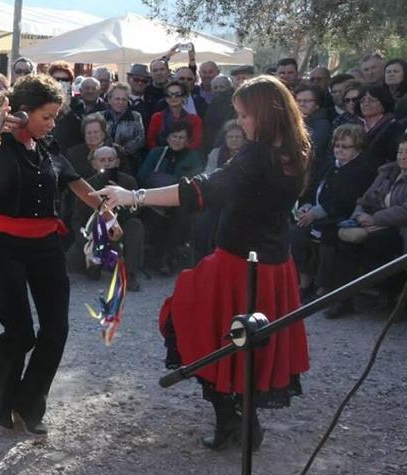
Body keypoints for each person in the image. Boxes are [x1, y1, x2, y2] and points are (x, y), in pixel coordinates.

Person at [93, 75, 311, 451]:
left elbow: (202, 189)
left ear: (264, 112)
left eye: (245, 116)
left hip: (241, 265)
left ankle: (234, 422)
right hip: (274, 264)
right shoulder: (298, 149)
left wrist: (133, 195)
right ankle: (241, 421)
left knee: (204, 333)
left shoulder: (259, 154)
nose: (240, 123)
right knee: (246, 343)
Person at [0, 73, 122, 436]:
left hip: (45, 247)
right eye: (47, 116)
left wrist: (106, 212)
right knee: (21, 332)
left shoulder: (49, 147)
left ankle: (28, 404)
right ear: (23, 113)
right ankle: (3, 399)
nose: (53, 123)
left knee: (57, 328)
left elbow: (78, 185)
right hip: (5, 247)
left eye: (56, 116)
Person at [326, 132, 407, 318]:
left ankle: (389, 294)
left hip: (405, 229)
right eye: (400, 151)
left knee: (376, 243)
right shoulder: (388, 172)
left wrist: (375, 219)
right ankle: (343, 300)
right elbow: (365, 198)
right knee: (346, 244)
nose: (402, 156)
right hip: (374, 224)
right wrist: (358, 216)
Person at [291, 124, 375, 305]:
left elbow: (348, 200)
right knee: (297, 232)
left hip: (343, 216)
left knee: (329, 236)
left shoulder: (363, 169)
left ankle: (324, 287)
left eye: (345, 146)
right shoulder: (329, 165)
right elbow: (312, 188)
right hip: (318, 213)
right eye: (337, 145)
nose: (339, 150)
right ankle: (304, 283)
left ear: (357, 148)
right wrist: (307, 206)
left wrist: (316, 213)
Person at [68, 146, 144, 290]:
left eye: (111, 160)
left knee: (136, 224)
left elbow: (134, 213)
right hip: (93, 232)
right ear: (94, 164)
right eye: (102, 160)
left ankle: (130, 274)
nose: (107, 163)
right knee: (72, 262)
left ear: (117, 162)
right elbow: (77, 219)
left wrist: (119, 200)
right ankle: (95, 264)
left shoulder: (128, 182)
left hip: (119, 229)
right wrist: (85, 243)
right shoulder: (86, 185)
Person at [137, 120, 203, 274]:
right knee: (155, 214)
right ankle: (156, 257)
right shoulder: (157, 153)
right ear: (167, 137)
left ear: (187, 141)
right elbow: (142, 175)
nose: (177, 140)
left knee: (180, 215)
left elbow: (195, 180)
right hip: (155, 198)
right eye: (174, 136)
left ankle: (166, 257)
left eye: (181, 138)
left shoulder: (193, 157)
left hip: (180, 201)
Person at [196, 120, 247, 260]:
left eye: (238, 137)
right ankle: (202, 258)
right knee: (203, 221)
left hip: (240, 201)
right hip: (217, 197)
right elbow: (208, 175)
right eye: (231, 137)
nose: (234, 140)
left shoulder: (248, 155)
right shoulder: (216, 153)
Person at [146, 81, 203, 151]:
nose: (173, 97)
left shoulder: (195, 120)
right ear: (166, 98)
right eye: (169, 94)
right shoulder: (157, 117)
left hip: (186, 157)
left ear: (184, 97)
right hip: (162, 156)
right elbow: (151, 141)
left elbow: (196, 143)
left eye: (177, 94)